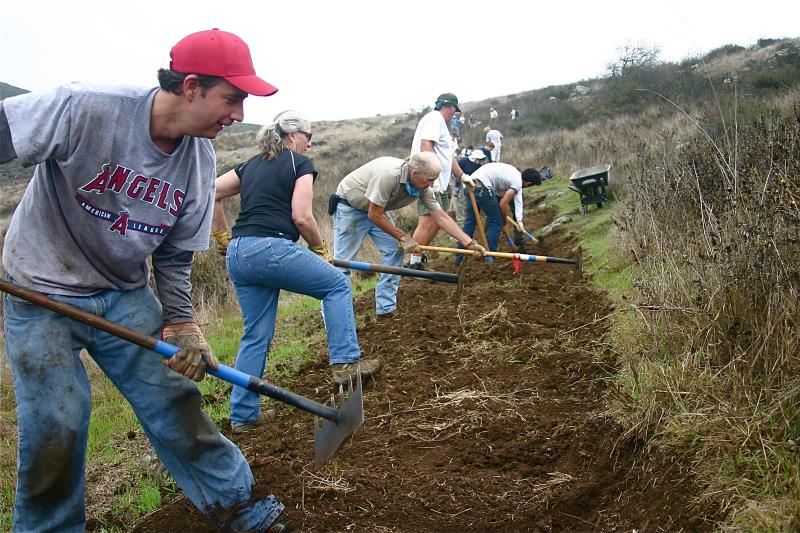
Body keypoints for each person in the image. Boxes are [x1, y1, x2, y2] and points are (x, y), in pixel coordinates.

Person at [0, 29, 293, 532]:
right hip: (39, 289)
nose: (239, 115)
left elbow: (177, 254)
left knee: (175, 397)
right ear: (193, 87)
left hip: (123, 291)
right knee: (56, 427)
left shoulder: (198, 161)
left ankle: (235, 505)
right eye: (232, 99)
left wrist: (181, 321)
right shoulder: (87, 107)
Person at [211, 111, 381, 434]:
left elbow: (211, 191)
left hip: (238, 254)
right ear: (292, 136)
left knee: (255, 333)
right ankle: (345, 363)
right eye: (308, 135)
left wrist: (221, 235)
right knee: (336, 286)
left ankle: (244, 416)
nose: (311, 142)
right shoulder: (299, 164)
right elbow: (302, 217)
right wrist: (320, 249)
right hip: (271, 249)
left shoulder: (250, 164)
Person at [331, 152, 486, 318]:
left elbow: (441, 217)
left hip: (376, 209)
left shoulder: (423, 187)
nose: (432, 184)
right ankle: (338, 318)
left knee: (395, 250)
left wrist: (469, 243)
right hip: (350, 207)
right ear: (415, 174)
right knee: (343, 263)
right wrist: (404, 237)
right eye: (430, 179)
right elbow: (373, 214)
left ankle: (386, 308)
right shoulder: (389, 175)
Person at [406, 93, 468, 270]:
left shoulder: (442, 125)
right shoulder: (434, 119)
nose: (453, 116)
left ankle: (417, 260)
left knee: (438, 221)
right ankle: (412, 263)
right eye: (454, 112)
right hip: (431, 181)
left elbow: (449, 156)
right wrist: (429, 180)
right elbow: (426, 145)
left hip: (440, 182)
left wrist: (462, 176)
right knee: (427, 222)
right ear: (451, 108)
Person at [459, 163, 541, 262]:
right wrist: (505, 224)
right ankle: (490, 257)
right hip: (482, 186)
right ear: (528, 183)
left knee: (471, 221)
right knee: (497, 222)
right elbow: (503, 203)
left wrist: (519, 221)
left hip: (469, 184)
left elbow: (518, 200)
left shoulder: (514, 174)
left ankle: (459, 256)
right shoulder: (517, 182)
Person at [452, 149, 489, 225]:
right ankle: (460, 220)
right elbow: (455, 172)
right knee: (459, 201)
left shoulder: (478, 165)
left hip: (471, 184)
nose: (479, 161)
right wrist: (461, 180)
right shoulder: (463, 161)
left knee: (469, 202)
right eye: (479, 159)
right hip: (460, 183)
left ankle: (469, 217)